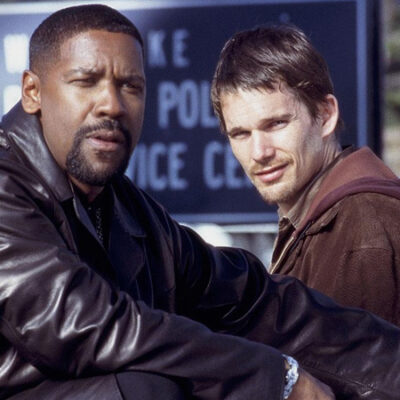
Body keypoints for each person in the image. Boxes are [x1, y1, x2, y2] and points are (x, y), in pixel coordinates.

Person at [0, 5, 400, 400]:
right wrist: (273, 377)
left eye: (130, 87)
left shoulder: (125, 208)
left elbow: (254, 301)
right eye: (86, 82)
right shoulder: (6, 186)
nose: (112, 105)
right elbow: (82, 324)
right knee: (147, 389)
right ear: (33, 92)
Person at [211, 24, 400, 326]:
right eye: (241, 134)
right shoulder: (323, 220)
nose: (259, 152)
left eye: (276, 124)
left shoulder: (363, 226)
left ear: (325, 115)